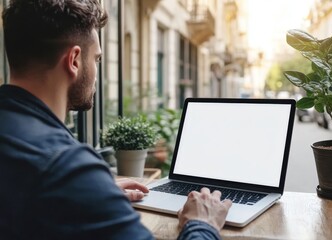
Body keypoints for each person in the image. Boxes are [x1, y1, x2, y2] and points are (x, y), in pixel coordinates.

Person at [0, 1, 232, 239]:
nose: (97, 69)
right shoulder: (68, 169)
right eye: (97, 59)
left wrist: (97, 195)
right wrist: (202, 225)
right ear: (74, 61)